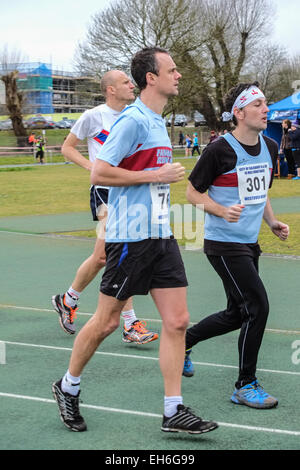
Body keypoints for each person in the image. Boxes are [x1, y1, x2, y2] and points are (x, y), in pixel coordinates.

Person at [52, 47, 218, 435]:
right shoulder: (133, 121)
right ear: (151, 78)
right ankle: (68, 385)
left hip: (161, 234)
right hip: (129, 237)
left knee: (177, 321)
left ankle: (173, 410)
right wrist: (153, 177)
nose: (178, 75)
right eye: (172, 70)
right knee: (108, 321)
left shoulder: (159, 121)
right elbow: (99, 172)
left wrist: (157, 182)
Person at [183, 81, 290, 409]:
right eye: (258, 104)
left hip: (249, 241)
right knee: (257, 306)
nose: (266, 109)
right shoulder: (219, 150)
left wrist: (270, 221)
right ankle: (245, 385)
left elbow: (260, 193)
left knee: (236, 313)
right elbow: (191, 193)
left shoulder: (271, 147)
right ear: (239, 113)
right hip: (223, 243)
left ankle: (184, 342)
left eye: (266, 103)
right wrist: (220, 210)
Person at [52, 70, 158, 345]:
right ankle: (130, 323)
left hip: (129, 193)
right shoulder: (94, 116)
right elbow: (67, 148)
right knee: (113, 254)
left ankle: (68, 299)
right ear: (110, 89)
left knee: (109, 255)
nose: (131, 85)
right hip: (105, 192)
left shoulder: (136, 114)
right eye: (125, 82)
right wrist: (92, 167)